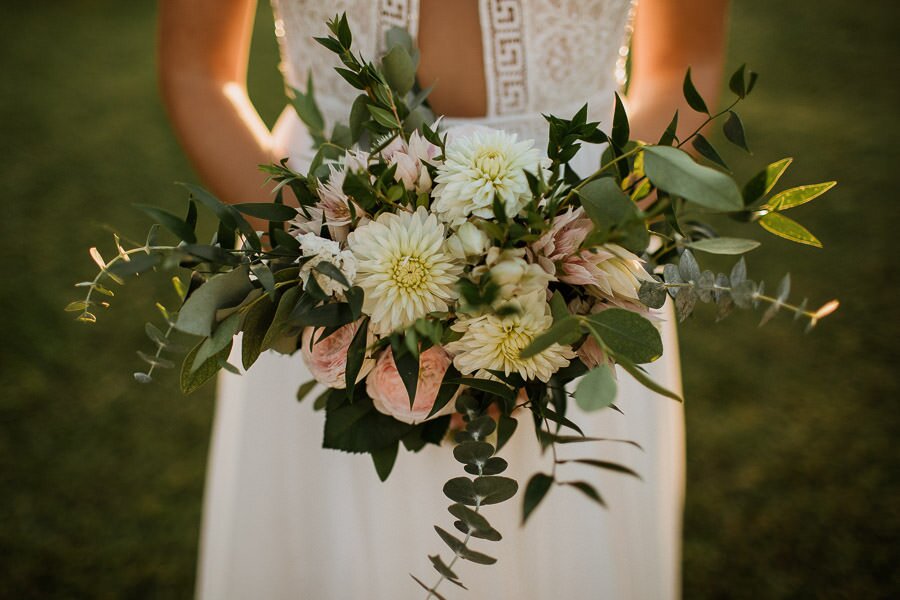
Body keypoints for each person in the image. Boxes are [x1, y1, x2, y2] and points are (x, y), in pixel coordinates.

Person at [159, 1, 728, 598]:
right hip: (322, 251)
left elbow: (686, 65)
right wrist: (329, 271)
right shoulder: (323, 266)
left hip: (581, 267)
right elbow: (196, 71)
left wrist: (573, 269)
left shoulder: (579, 276)